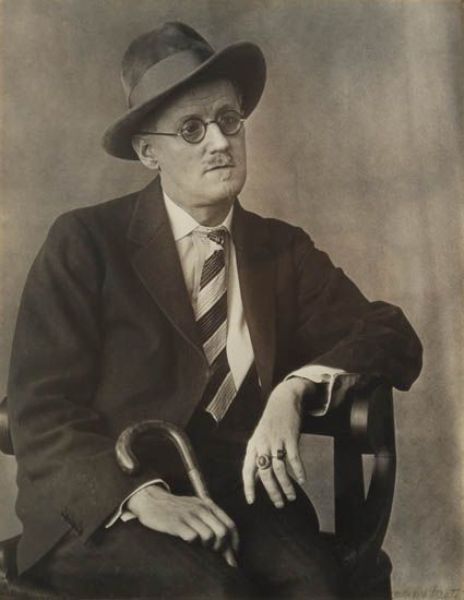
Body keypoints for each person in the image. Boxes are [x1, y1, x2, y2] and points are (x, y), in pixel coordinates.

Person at [7, 21, 422, 598]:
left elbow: (390, 334)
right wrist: (142, 497)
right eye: (192, 129)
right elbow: (40, 410)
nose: (220, 142)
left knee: (317, 586)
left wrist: (294, 390)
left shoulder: (280, 250)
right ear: (148, 152)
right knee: (212, 591)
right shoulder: (84, 243)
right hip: (105, 507)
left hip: (238, 496)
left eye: (229, 120)